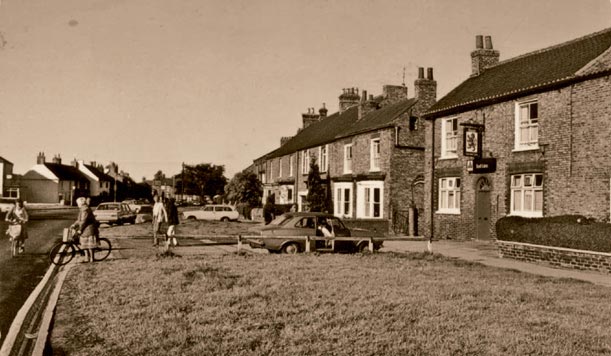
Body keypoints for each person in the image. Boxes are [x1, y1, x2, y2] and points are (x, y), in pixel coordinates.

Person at [71, 197, 98, 263]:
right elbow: (79, 220)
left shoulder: (85, 209)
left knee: (90, 245)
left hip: (89, 229)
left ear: (81, 203)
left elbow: (83, 221)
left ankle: (91, 259)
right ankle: (87, 258)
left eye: (78, 203)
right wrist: (74, 224)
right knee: (84, 244)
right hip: (85, 229)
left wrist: (80, 229)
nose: (77, 204)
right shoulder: (82, 209)